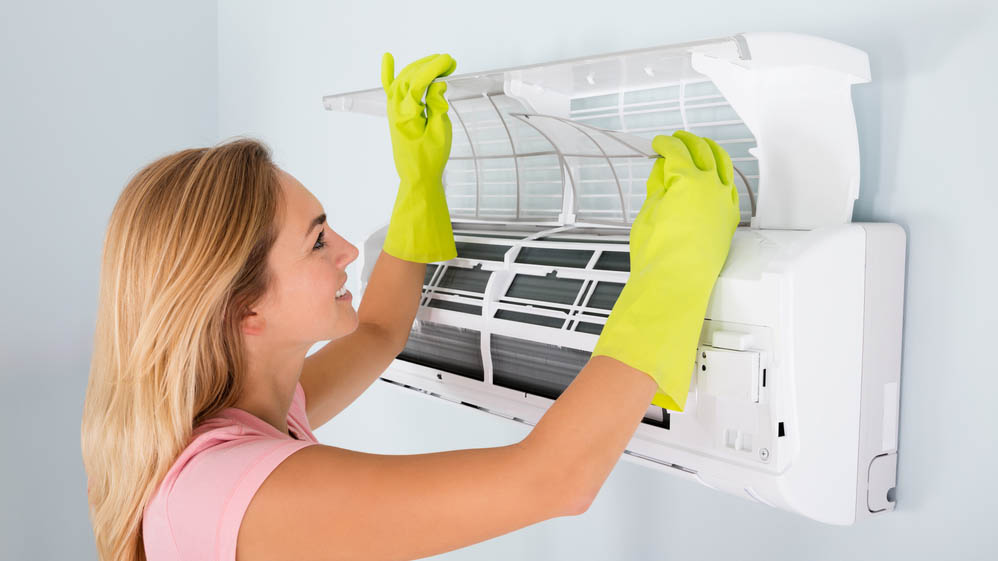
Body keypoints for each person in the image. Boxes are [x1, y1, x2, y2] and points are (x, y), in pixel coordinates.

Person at [81, 52, 740, 561]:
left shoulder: (242, 423)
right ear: (244, 310)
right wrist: (671, 273)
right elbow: (553, 479)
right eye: (316, 242)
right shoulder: (229, 484)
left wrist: (419, 183)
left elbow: (378, 330)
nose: (345, 249)